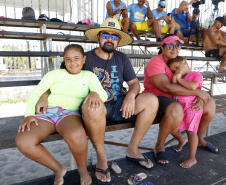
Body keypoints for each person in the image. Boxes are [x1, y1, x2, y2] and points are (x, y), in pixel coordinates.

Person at [36, 18, 158, 184]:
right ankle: (102, 157)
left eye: (114, 36)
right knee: (94, 106)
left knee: (151, 100)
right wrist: (44, 96)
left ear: (118, 41)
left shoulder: (122, 57)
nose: (109, 39)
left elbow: (134, 84)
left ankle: (133, 149)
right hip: (93, 108)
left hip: (120, 104)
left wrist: (130, 96)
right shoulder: (85, 58)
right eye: (106, 34)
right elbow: (58, 80)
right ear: (99, 37)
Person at [15, 44, 108, 185]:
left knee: (77, 135)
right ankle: (58, 168)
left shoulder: (88, 76)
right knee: (23, 141)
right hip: (46, 113)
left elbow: (103, 94)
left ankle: (82, 170)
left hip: (69, 114)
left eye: (76, 58)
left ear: (84, 59)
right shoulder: (54, 74)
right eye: (68, 59)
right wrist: (29, 115)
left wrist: (95, 93)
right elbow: (36, 93)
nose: (72, 62)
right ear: (64, 60)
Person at [143, 34, 217, 165]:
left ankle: (200, 139)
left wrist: (199, 96)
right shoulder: (156, 61)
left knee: (210, 103)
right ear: (163, 46)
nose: (174, 49)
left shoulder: (176, 63)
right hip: (159, 99)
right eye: (170, 46)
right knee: (176, 110)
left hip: (179, 100)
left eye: (178, 45)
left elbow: (191, 82)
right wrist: (197, 92)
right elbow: (167, 88)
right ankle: (160, 145)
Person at [168, 56, 204, 168]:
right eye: (173, 70)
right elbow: (173, 87)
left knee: (191, 132)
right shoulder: (180, 77)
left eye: (177, 67)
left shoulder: (195, 75)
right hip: (179, 107)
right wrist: (176, 77)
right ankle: (181, 140)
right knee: (172, 128)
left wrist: (179, 79)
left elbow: (193, 87)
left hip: (192, 107)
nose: (176, 71)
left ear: (184, 61)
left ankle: (192, 158)